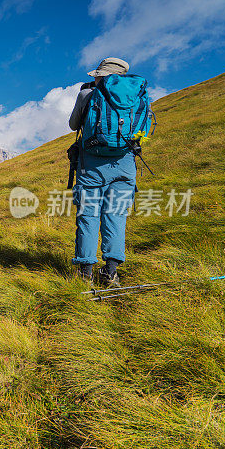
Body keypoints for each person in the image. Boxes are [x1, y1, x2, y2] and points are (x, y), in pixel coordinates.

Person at [69, 57, 140, 286]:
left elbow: (73, 125)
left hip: (92, 167)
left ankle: (86, 274)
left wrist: (87, 97)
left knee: (89, 217)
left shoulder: (87, 95)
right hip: (125, 165)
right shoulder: (137, 96)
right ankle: (111, 273)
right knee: (116, 216)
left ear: (102, 75)